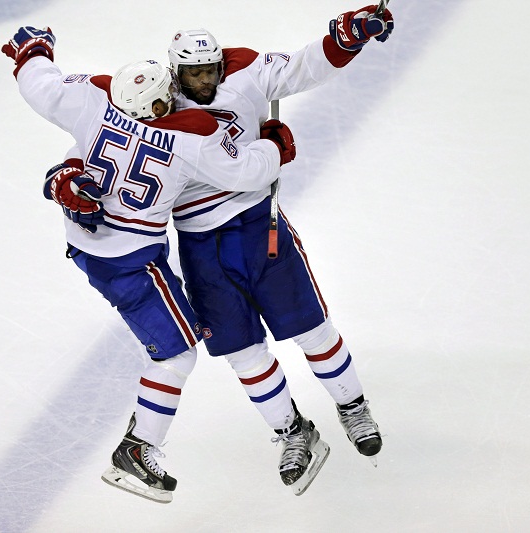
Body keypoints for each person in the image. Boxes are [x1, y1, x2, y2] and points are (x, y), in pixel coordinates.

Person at [1, 26, 297, 503]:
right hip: (134, 263)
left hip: (87, 249)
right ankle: (138, 450)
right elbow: (244, 171)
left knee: (180, 345)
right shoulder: (188, 140)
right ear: (159, 105)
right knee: (178, 353)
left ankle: (147, 443)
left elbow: (41, 87)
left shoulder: (93, 102)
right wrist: (273, 147)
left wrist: (34, 53)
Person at [164, 4, 394, 489]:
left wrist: (347, 37)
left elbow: (304, 66)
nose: (204, 81)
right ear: (175, 71)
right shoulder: (155, 98)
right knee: (242, 351)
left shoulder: (244, 70)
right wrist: (68, 172)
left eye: (210, 70)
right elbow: (105, 128)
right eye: (194, 73)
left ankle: (353, 407)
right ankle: (293, 432)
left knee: (311, 329)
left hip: (255, 225)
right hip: (199, 247)